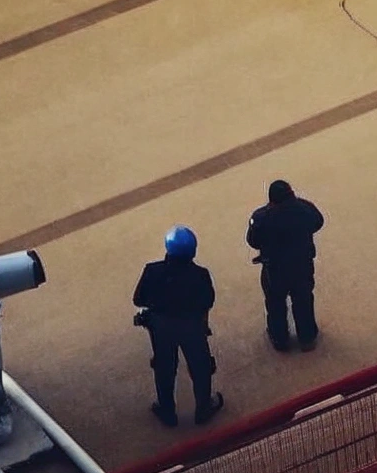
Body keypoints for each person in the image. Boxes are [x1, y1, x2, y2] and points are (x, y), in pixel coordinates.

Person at [133, 226, 224, 426]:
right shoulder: (200, 274)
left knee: (164, 367)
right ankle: (203, 408)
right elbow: (208, 301)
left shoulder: (152, 270)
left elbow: (138, 299)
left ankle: (166, 410)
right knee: (200, 366)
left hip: (161, 327)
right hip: (191, 326)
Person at [246, 179, 324, 352]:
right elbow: (318, 221)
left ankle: (280, 338)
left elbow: (252, 240)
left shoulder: (261, 217)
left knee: (275, 303)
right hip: (302, 265)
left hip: (275, 269)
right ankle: (307, 336)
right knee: (303, 299)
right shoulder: (304, 209)